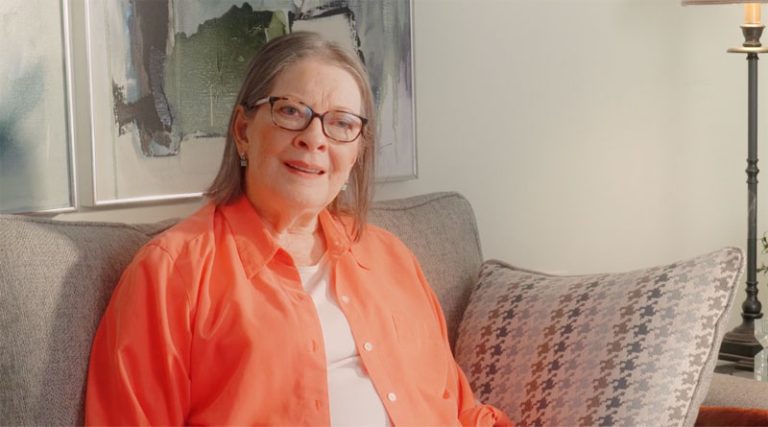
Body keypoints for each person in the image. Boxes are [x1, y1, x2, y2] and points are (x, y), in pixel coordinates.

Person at [85, 32, 512, 426]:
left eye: (342, 123)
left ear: (357, 152)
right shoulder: (170, 274)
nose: (315, 138)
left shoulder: (392, 258)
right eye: (290, 111)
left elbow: (459, 408)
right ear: (243, 131)